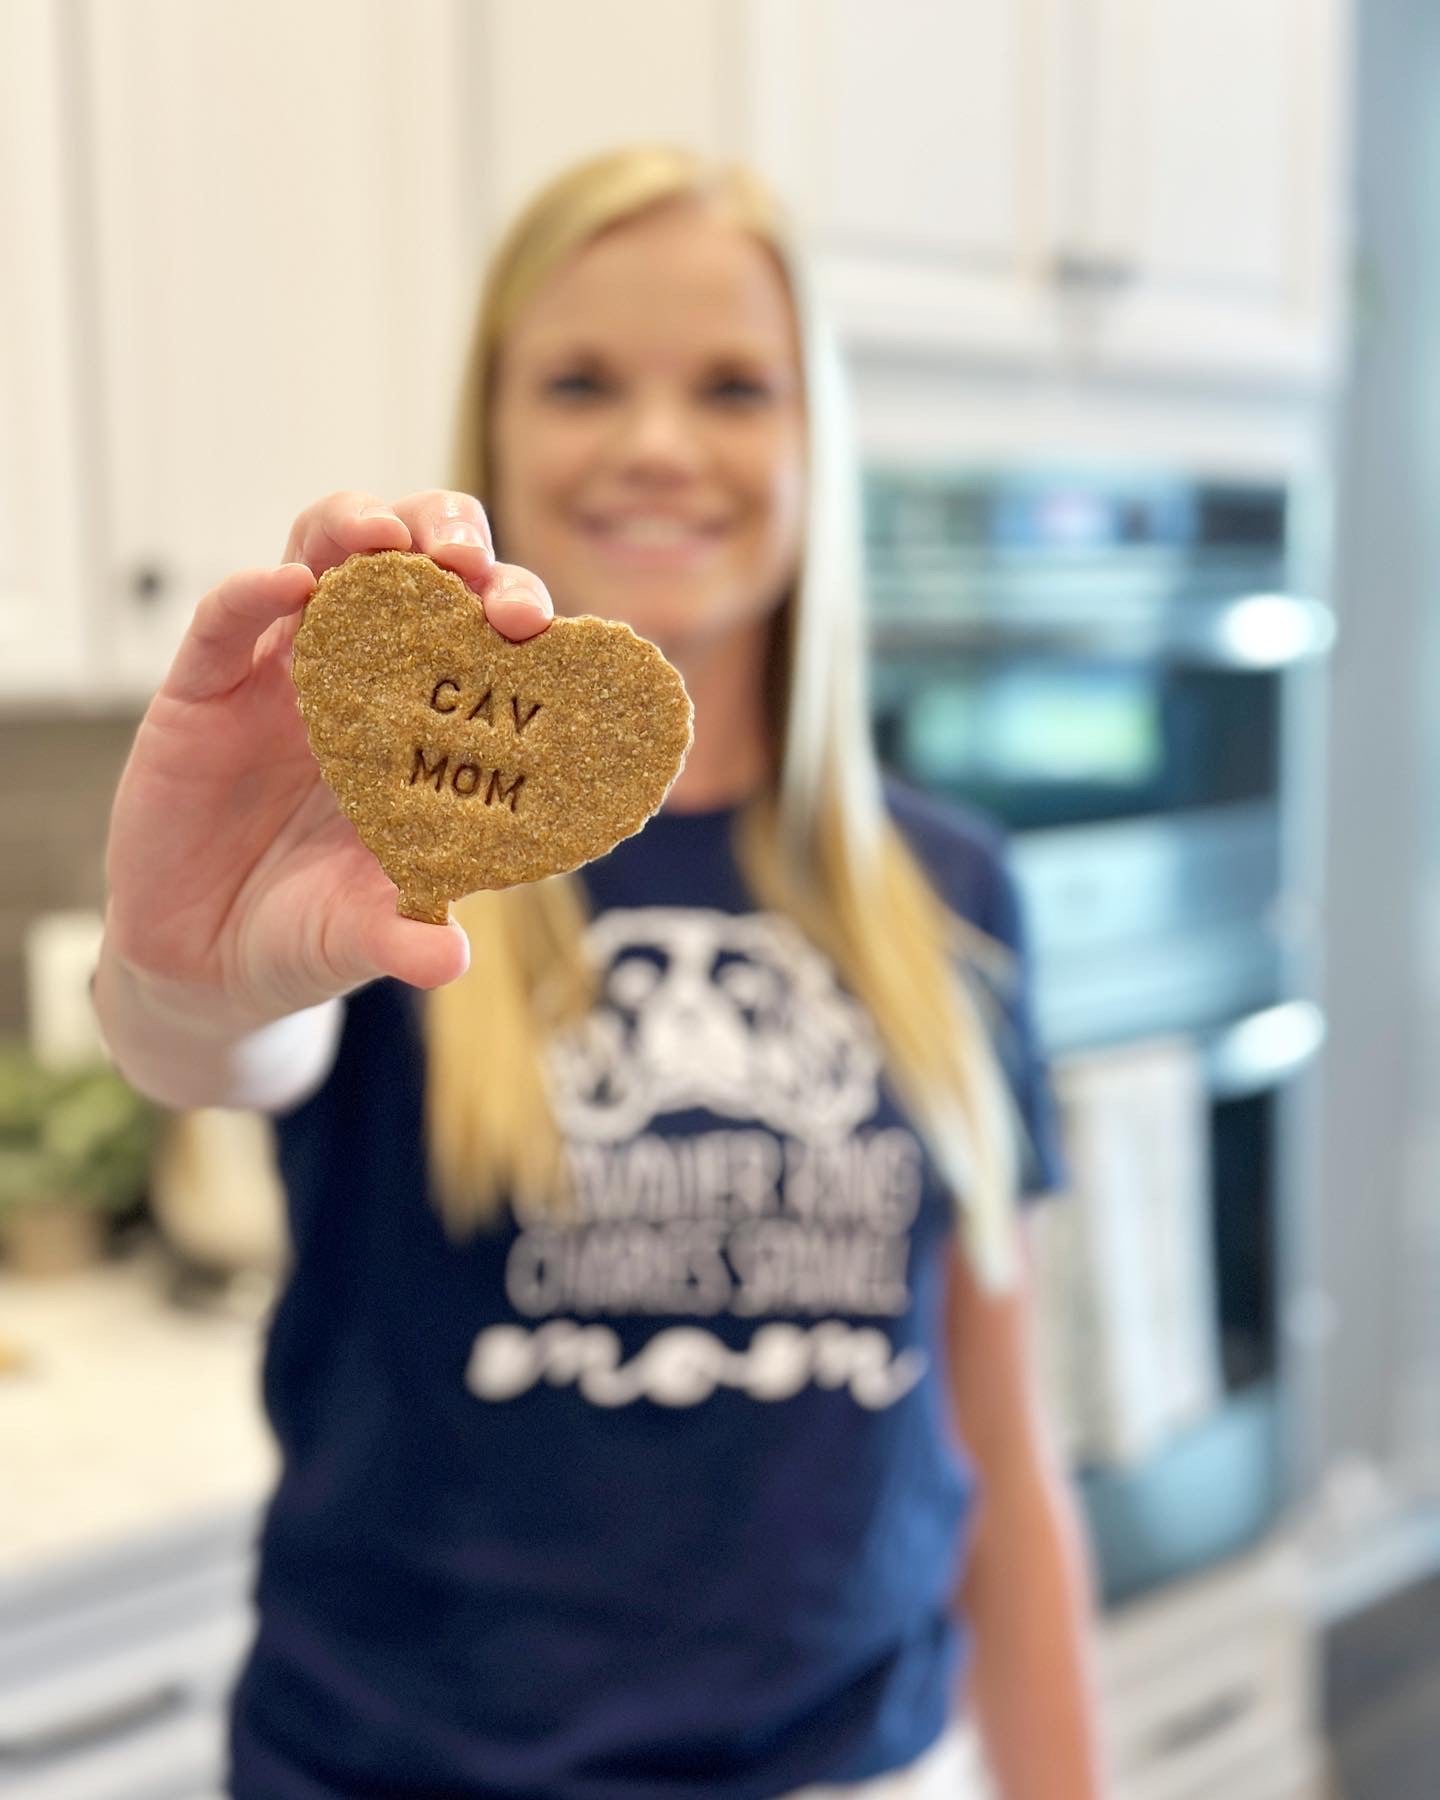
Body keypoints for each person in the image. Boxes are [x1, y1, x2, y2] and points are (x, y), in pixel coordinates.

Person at [94, 146, 1109, 1799]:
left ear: (813, 444)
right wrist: (184, 973)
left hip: (859, 1767)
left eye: (732, 386)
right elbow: (216, 1046)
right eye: (580, 382)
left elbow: (997, 1435)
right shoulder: (395, 857)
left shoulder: (953, 893)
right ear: (491, 429)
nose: (656, 445)